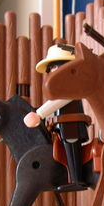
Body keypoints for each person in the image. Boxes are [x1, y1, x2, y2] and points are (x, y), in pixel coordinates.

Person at [24, 44, 90, 192]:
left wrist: (39, 113)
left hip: (71, 126)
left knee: (71, 145)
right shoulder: (61, 88)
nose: (52, 72)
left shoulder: (72, 87)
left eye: (55, 67)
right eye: (51, 69)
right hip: (64, 126)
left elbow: (60, 101)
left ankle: (77, 180)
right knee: (65, 148)